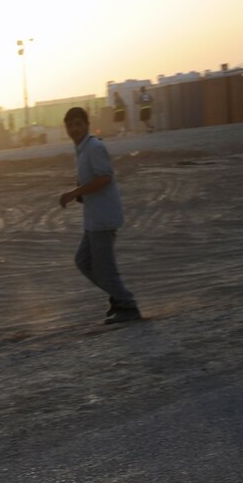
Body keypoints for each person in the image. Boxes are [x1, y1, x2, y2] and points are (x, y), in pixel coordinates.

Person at [60, 107, 141, 323]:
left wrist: (75, 193)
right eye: (70, 125)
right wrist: (81, 192)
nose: (74, 129)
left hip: (104, 217)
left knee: (105, 269)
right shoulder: (81, 149)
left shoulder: (94, 147)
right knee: (83, 261)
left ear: (87, 124)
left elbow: (105, 177)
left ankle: (128, 305)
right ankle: (118, 298)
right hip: (94, 218)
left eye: (78, 124)